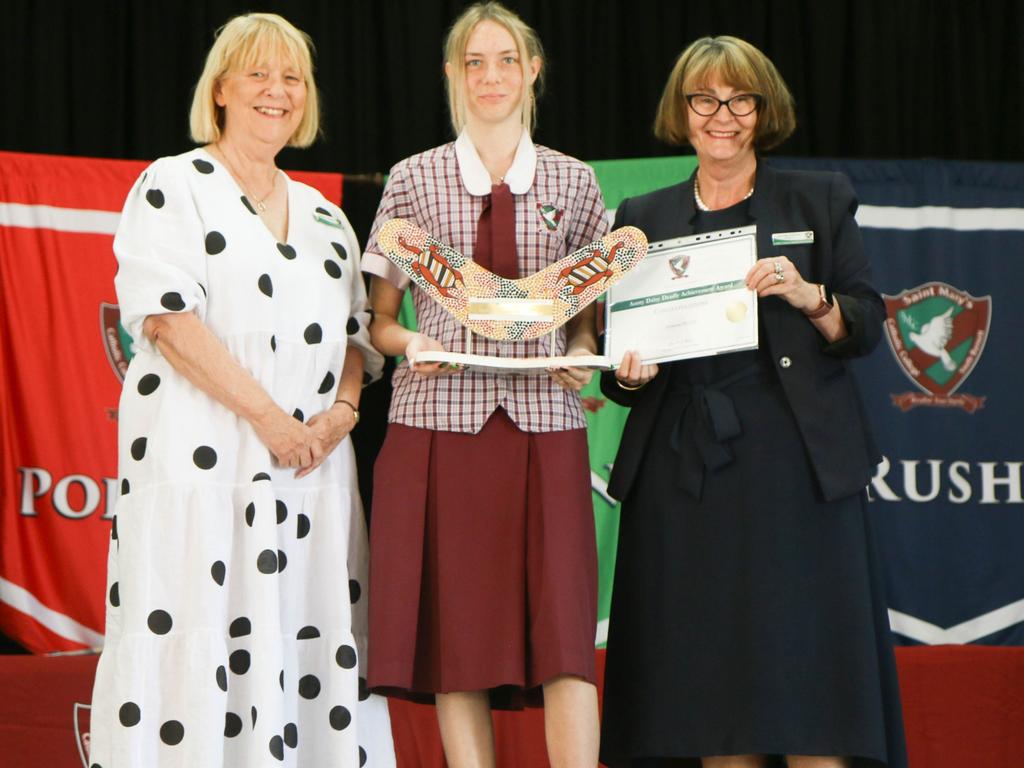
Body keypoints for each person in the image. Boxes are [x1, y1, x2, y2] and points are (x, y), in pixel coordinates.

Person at [89, 13, 395, 767]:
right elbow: (166, 320)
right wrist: (270, 419)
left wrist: (342, 416)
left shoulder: (327, 217)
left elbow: (357, 337)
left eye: (292, 77)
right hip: (203, 468)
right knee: (196, 635)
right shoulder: (172, 185)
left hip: (311, 474)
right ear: (220, 88)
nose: (276, 91)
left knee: (305, 636)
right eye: (257, 73)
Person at [599, 36, 907, 768]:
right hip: (686, 474)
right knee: (712, 700)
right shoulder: (640, 216)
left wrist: (811, 297)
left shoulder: (817, 199)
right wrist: (629, 376)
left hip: (797, 469)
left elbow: (865, 322)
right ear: (683, 111)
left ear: (764, 110)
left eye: (740, 99)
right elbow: (617, 368)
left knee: (810, 695)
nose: (722, 115)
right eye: (705, 99)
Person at [360, 3, 607, 767]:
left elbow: (590, 320)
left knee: (566, 633)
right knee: (457, 636)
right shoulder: (412, 178)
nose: (491, 76)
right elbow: (379, 323)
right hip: (437, 424)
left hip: (546, 425)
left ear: (532, 71)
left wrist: (583, 348)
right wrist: (413, 344)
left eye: (506, 60)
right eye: (475, 62)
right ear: (452, 76)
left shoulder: (574, 178)